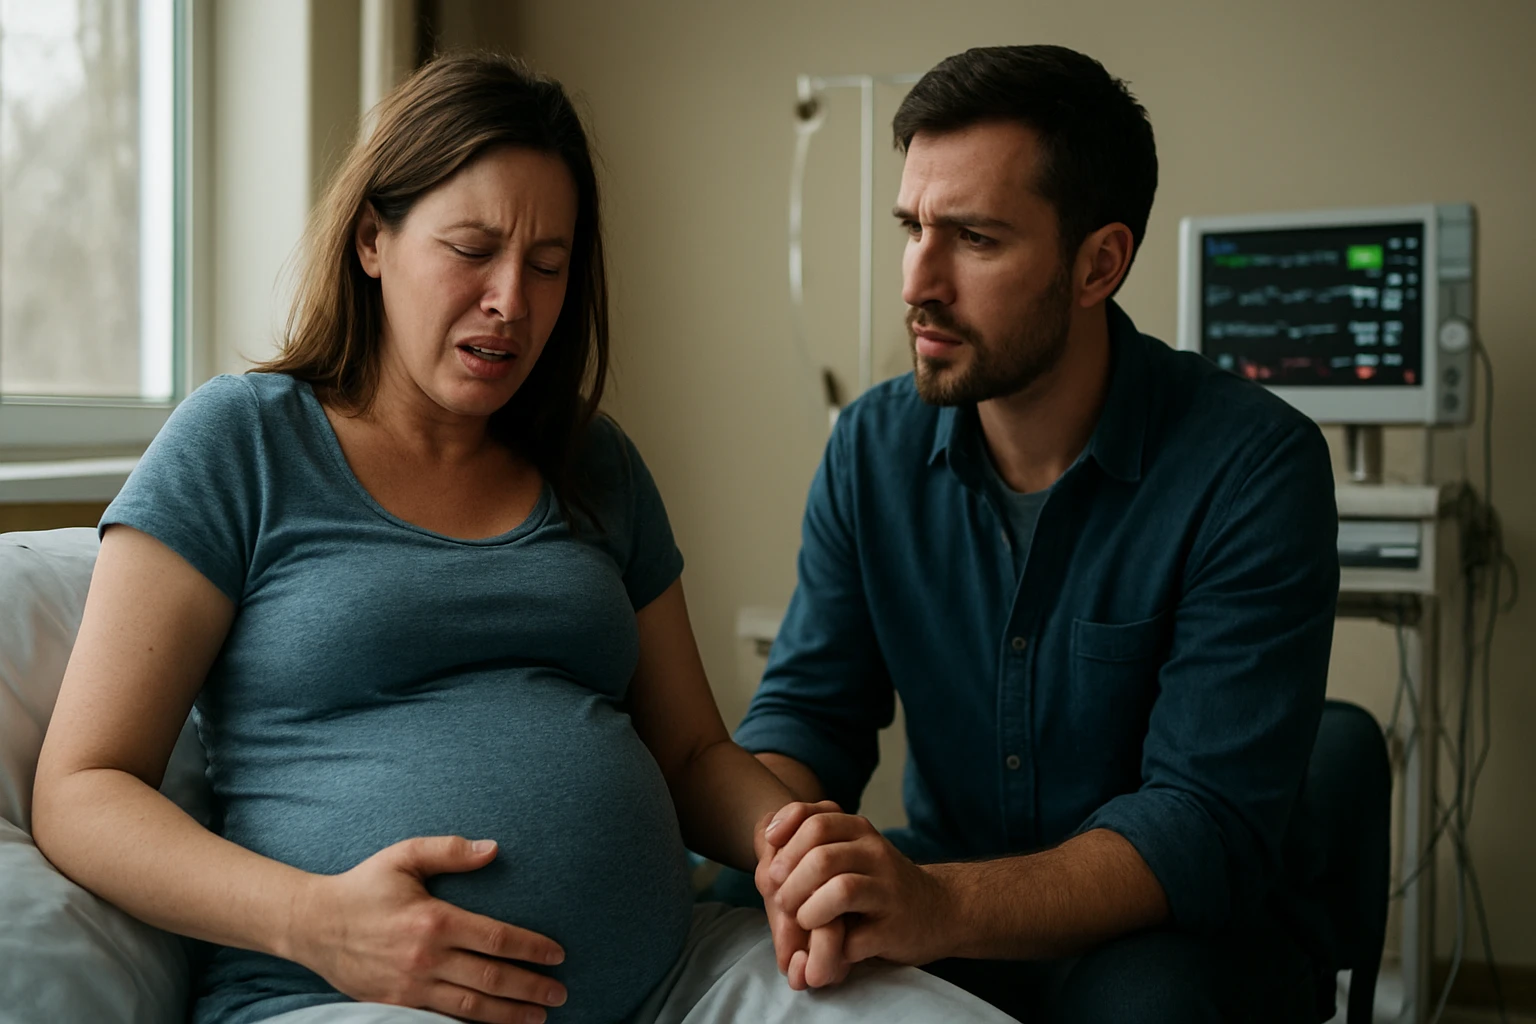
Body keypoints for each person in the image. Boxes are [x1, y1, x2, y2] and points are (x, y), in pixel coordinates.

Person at [30, 55, 1014, 1024]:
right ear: (373, 239)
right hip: (343, 993)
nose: (513, 300)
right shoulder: (241, 441)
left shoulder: (596, 463)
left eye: (549, 266)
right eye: (472, 250)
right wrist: (315, 920)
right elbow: (83, 788)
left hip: (680, 981)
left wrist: (795, 847)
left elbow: (692, 749)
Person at [736, 45, 1340, 1023]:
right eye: (911, 228)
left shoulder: (1254, 466)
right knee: (733, 921)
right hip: (950, 900)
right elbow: (810, 714)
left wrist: (936, 903)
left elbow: (1195, 823)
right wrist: (760, 850)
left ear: (1098, 262)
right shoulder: (870, 449)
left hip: (1172, 937)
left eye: (973, 239)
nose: (918, 281)